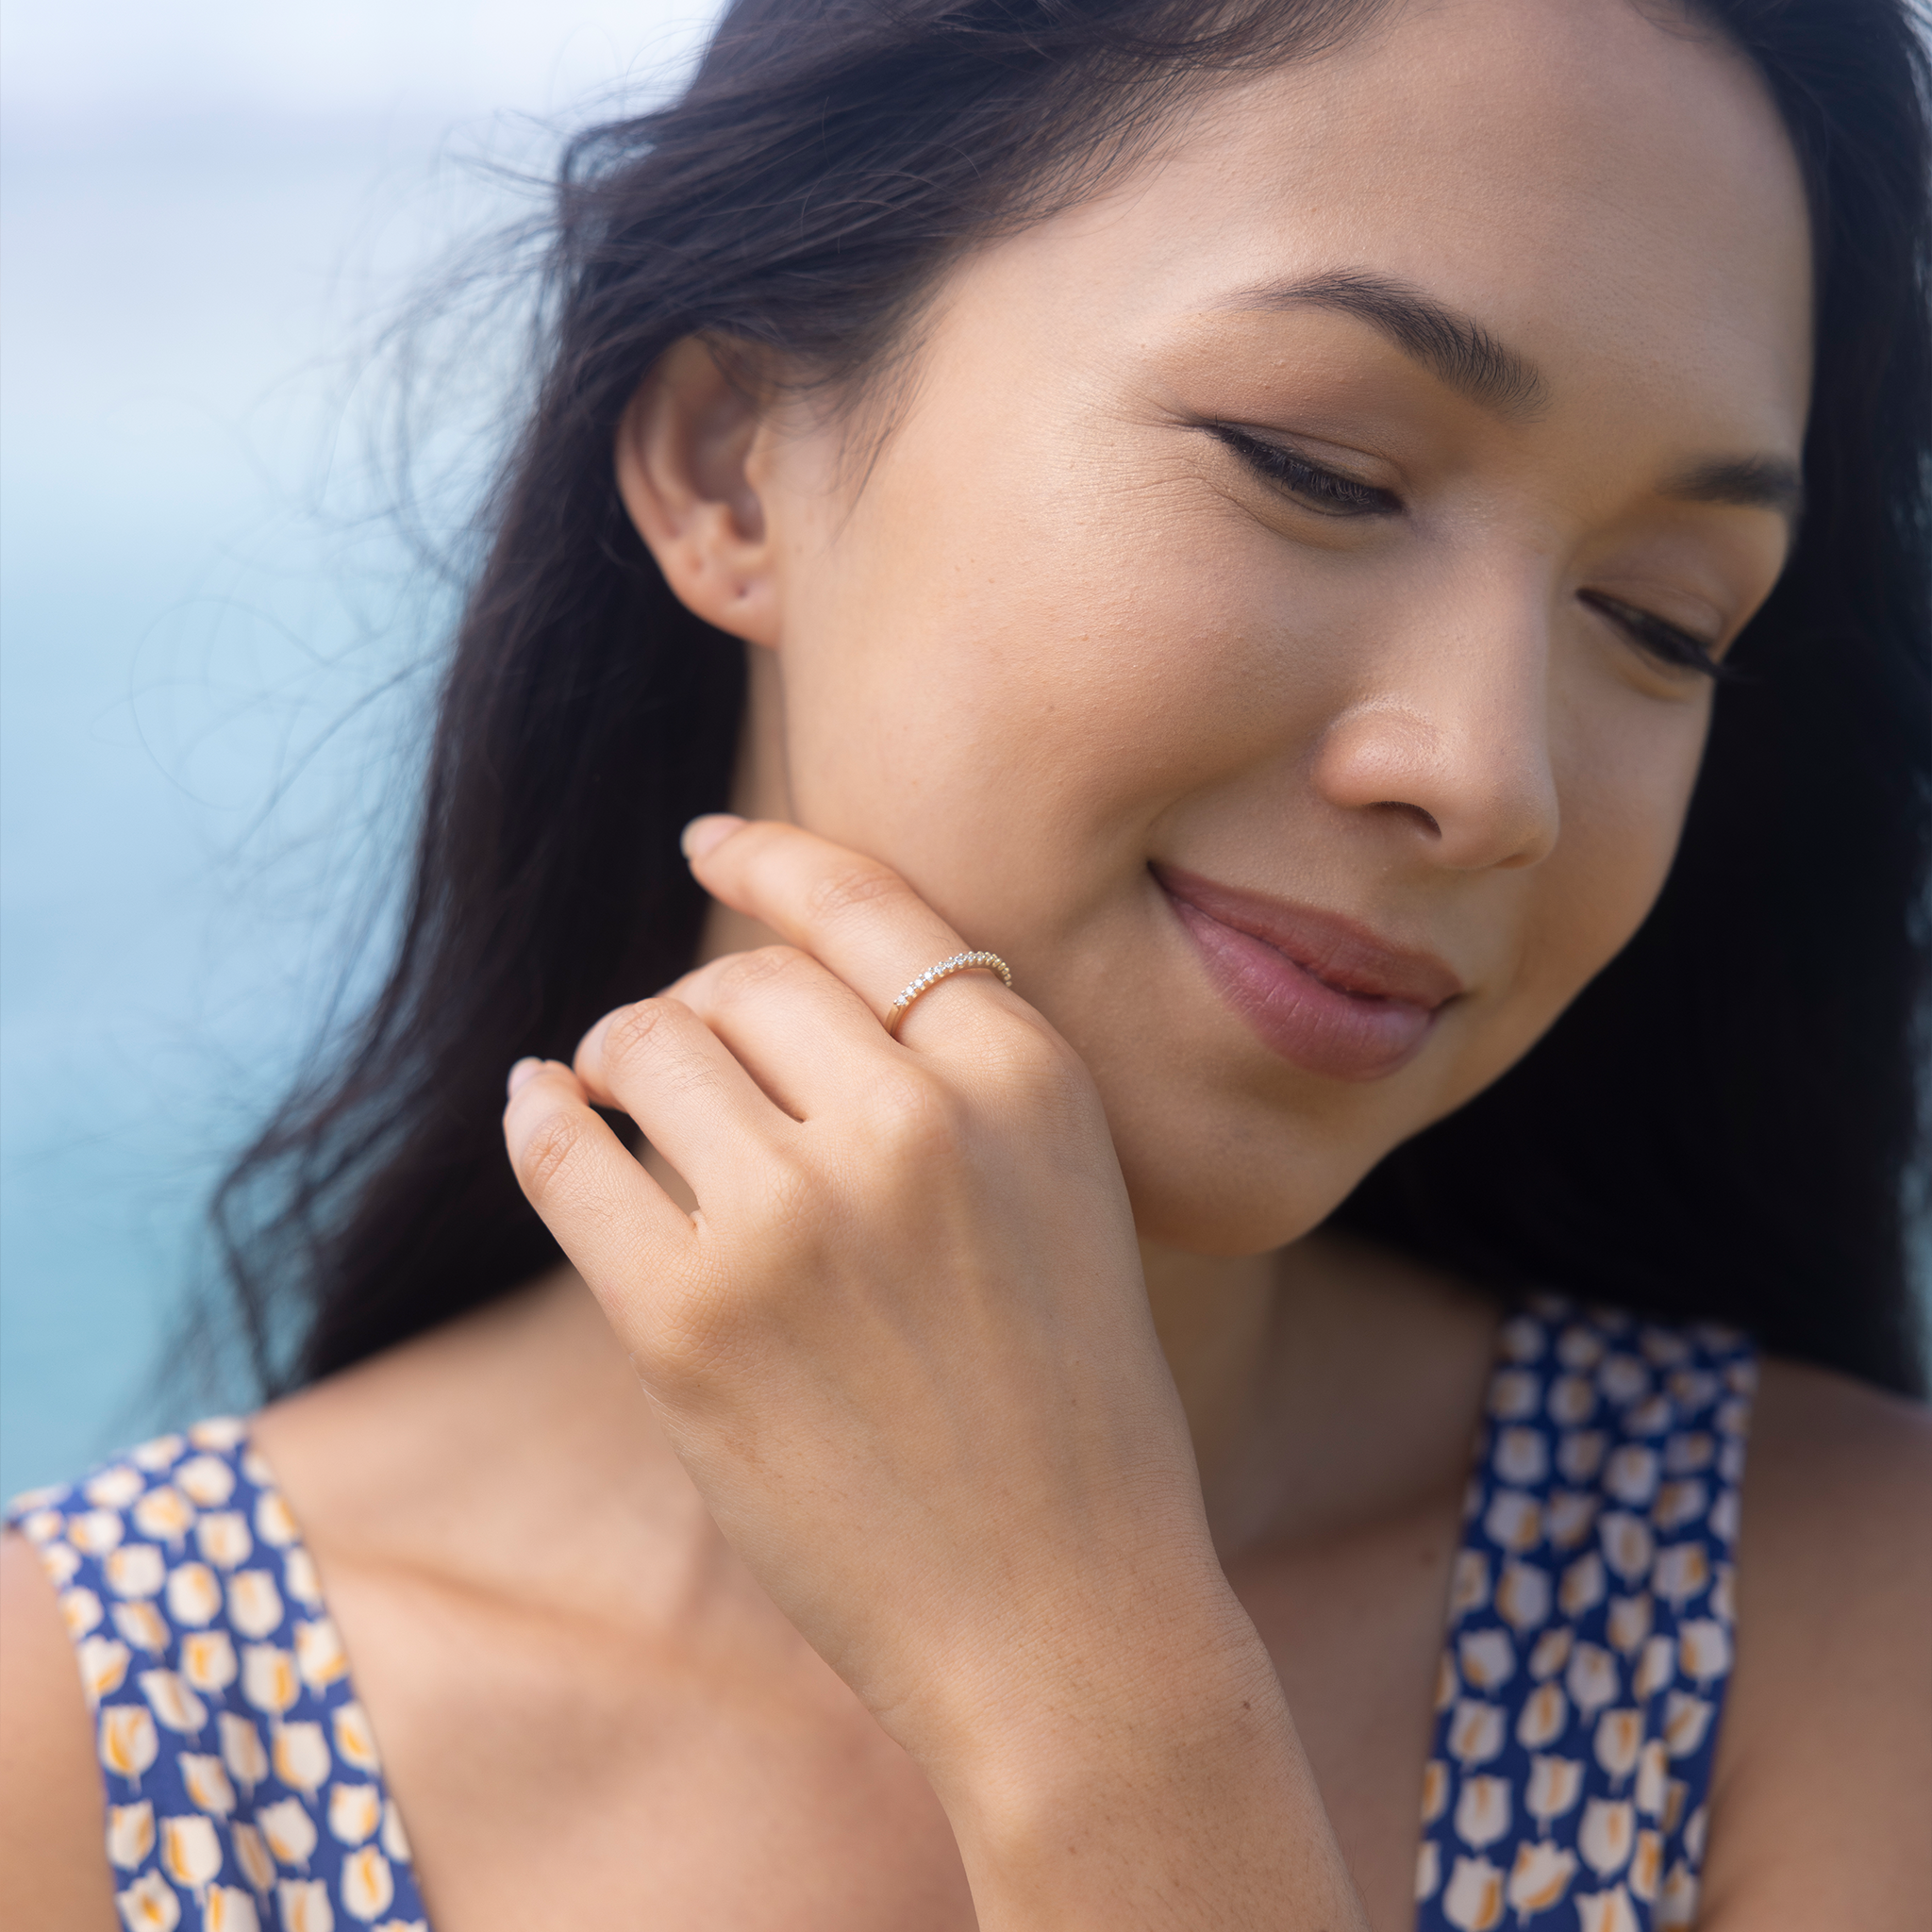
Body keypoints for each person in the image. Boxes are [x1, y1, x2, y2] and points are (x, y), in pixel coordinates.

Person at [4, 0, 1928, 1924]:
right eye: (1317, 466)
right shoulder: (93, 1741)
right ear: (730, 461)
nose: (1489, 774)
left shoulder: (1832, 1618)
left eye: (1659, 620)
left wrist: (1084, 1686)